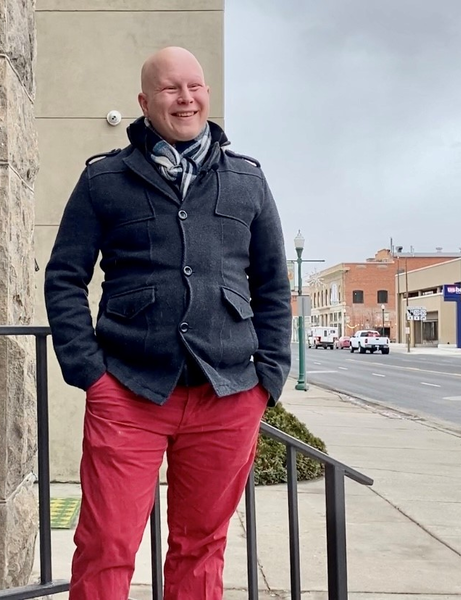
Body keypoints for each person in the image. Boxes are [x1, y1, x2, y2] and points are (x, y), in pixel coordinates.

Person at [44, 46, 291, 600]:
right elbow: (64, 277)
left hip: (227, 393)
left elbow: (273, 285)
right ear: (145, 100)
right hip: (129, 391)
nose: (186, 99)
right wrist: (90, 372)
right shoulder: (104, 179)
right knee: (107, 543)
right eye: (171, 89)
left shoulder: (247, 181)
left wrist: (268, 379)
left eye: (195, 86)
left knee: (202, 546)